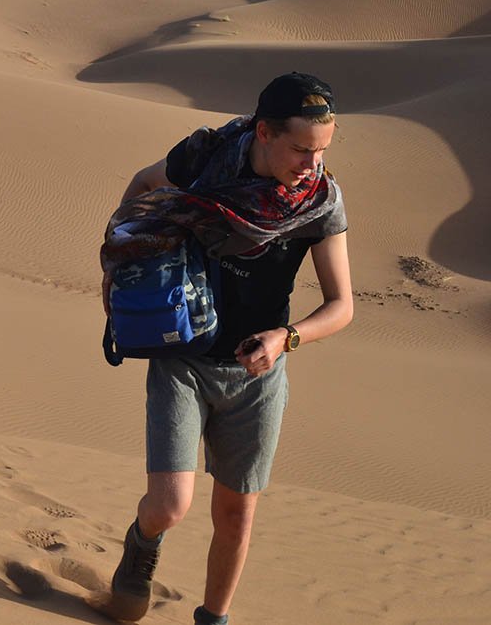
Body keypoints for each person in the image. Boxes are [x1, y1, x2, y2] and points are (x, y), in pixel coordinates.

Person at [101, 72, 354, 625]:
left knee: (236, 514)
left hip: (258, 375)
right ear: (264, 131)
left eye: (323, 151)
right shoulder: (204, 161)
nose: (313, 165)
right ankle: (142, 544)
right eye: (302, 149)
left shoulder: (320, 202)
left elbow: (342, 306)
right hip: (183, 357)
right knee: (170, 505)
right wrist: (128, 259)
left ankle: (212, 619)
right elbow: (143, 187)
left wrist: (288, 339)